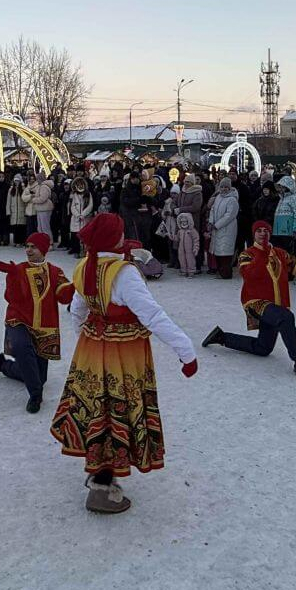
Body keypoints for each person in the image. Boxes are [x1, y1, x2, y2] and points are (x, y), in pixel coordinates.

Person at [49, 213, 197, 514]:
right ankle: (103, 486)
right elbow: (152, 315)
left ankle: (98, 473)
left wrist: (89, 336)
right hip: (124, 353)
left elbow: (77, 310)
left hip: (92, 349)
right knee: (119, 409)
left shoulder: (84, 265)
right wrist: (186, 350)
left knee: (97, 409)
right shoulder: (123, 273)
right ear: (113, 238)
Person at [202, 221, 296, 381]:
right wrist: (262, 254)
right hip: (256, 302)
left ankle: (222, 337)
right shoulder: (247, 254)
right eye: (259, 231)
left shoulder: (281, 254)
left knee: (263, 348)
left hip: (275, 306)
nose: (262, 233)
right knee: (286, 317)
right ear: (254, 234)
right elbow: (249, 275)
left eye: (266, 231)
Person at [0, 233, 75, 412]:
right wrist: (12, 279)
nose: (28, 250)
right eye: (27, 246)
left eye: (33, 246)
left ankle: (3, 365)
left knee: (39, 376)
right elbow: (10, 298)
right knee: (21, 347)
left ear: (44, 249)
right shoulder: (19, 269)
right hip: (19, 319)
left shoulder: (56, 272)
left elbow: (63, 297)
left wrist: (76, 283)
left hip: (44, 326)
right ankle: (35, 395)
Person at [208, 177, 240, 279]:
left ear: (230, 188)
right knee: (218, 251)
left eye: (226, 187)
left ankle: (226, 273)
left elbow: (229, 215)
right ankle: (220, 271)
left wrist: (217, 225)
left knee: (225, 252)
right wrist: (211, 221)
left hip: (227, 229)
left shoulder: (232, 200)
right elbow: (213, 210)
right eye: (222, 187)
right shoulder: (218, 197)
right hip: (217, 229)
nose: (224, 189)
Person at [271, 176, 296, 254]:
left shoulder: (295, 198)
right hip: (278, 231)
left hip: (288, 232)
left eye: (283, 186)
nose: (281, 188)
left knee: (287, 253)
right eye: (280, 186)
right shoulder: (281, 198)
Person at [175, 212, 199, 278]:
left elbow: (196, 239)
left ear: (189, 221)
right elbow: (177, 238)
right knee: (182, 259)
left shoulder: (192, 230)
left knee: (190, 259)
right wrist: (171, 236)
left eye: (185, 221)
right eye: (182, 222)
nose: (183, 223)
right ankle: (184, 271)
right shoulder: (180, 231)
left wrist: (196, 248)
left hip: (190, 249)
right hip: (181, 249)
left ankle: (191, 271)